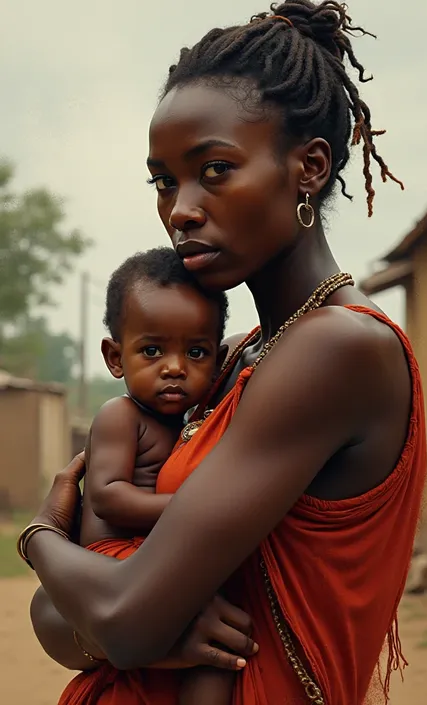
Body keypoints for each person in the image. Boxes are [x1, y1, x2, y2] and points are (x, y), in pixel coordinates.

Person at [21, 2, 427, 704]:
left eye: (213, 170)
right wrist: (109, 611)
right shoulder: (237, 358)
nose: (179, 208)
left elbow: (118, 617)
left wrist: (38, 537)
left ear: (309, 168)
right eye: (163, 180)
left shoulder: (335, 349)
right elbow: (61, 619)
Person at [66, 246, 234, 705]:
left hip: (150, 555)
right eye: (153, 350)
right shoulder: (120, 416)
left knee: (219, 651)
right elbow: (108, 497)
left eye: (195, 352)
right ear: (115, 357)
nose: (175, 367)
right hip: (113, 558)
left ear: (217, 360)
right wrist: (193, 512)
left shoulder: (191, 421)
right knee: (206, 638)